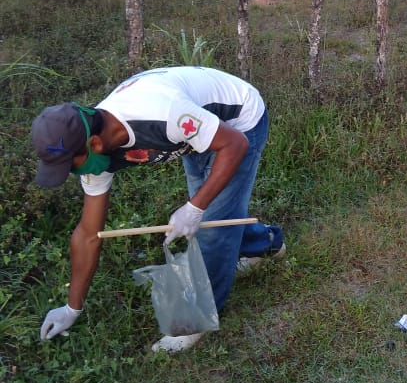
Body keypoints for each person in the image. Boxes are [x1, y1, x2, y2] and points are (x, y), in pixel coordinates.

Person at [31, 66, 284, 353]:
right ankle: (266, 244)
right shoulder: (94, 152)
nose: (73, 173)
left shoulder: (161, 114)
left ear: (94, 143)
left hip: (239, 122)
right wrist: (71, 307)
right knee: (214, 213)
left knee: (211, 224)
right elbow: (89, 234)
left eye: (70, 166)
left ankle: (197, 319)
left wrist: (194, 207)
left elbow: (235, 144)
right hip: (199, 134)